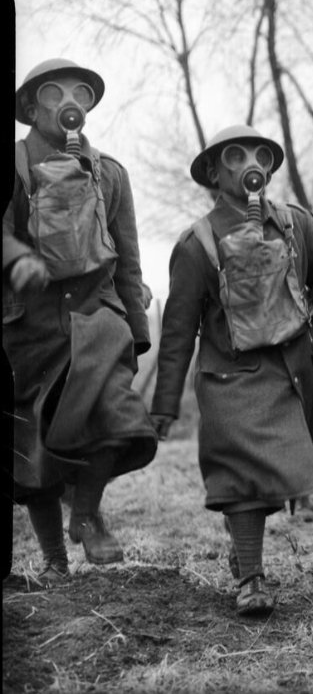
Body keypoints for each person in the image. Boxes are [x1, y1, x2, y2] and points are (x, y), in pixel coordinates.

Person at [150, 124, 313, 617]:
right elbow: (176, 334)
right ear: (215, 172)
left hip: (291, 371)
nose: (250, 164)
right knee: (242, 477)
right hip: (230, 378)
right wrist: (164, 406)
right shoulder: (197, 244)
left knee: (278, 472)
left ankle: (243, 543)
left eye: (261, 155)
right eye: (235, 156)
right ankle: (251, 578)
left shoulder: (295, 224)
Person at [4, 57, 158, 585]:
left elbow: (130, 258)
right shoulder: (16, 165)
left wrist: (136, 334)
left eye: (79, 93)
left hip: (97, 317)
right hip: (31, 325)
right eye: (53, 93)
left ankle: (88, 511)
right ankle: (53, 559)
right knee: (33, 450)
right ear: (30, 106)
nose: (68, 103)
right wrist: (16, 259)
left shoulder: (110, 172)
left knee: (119, 418)